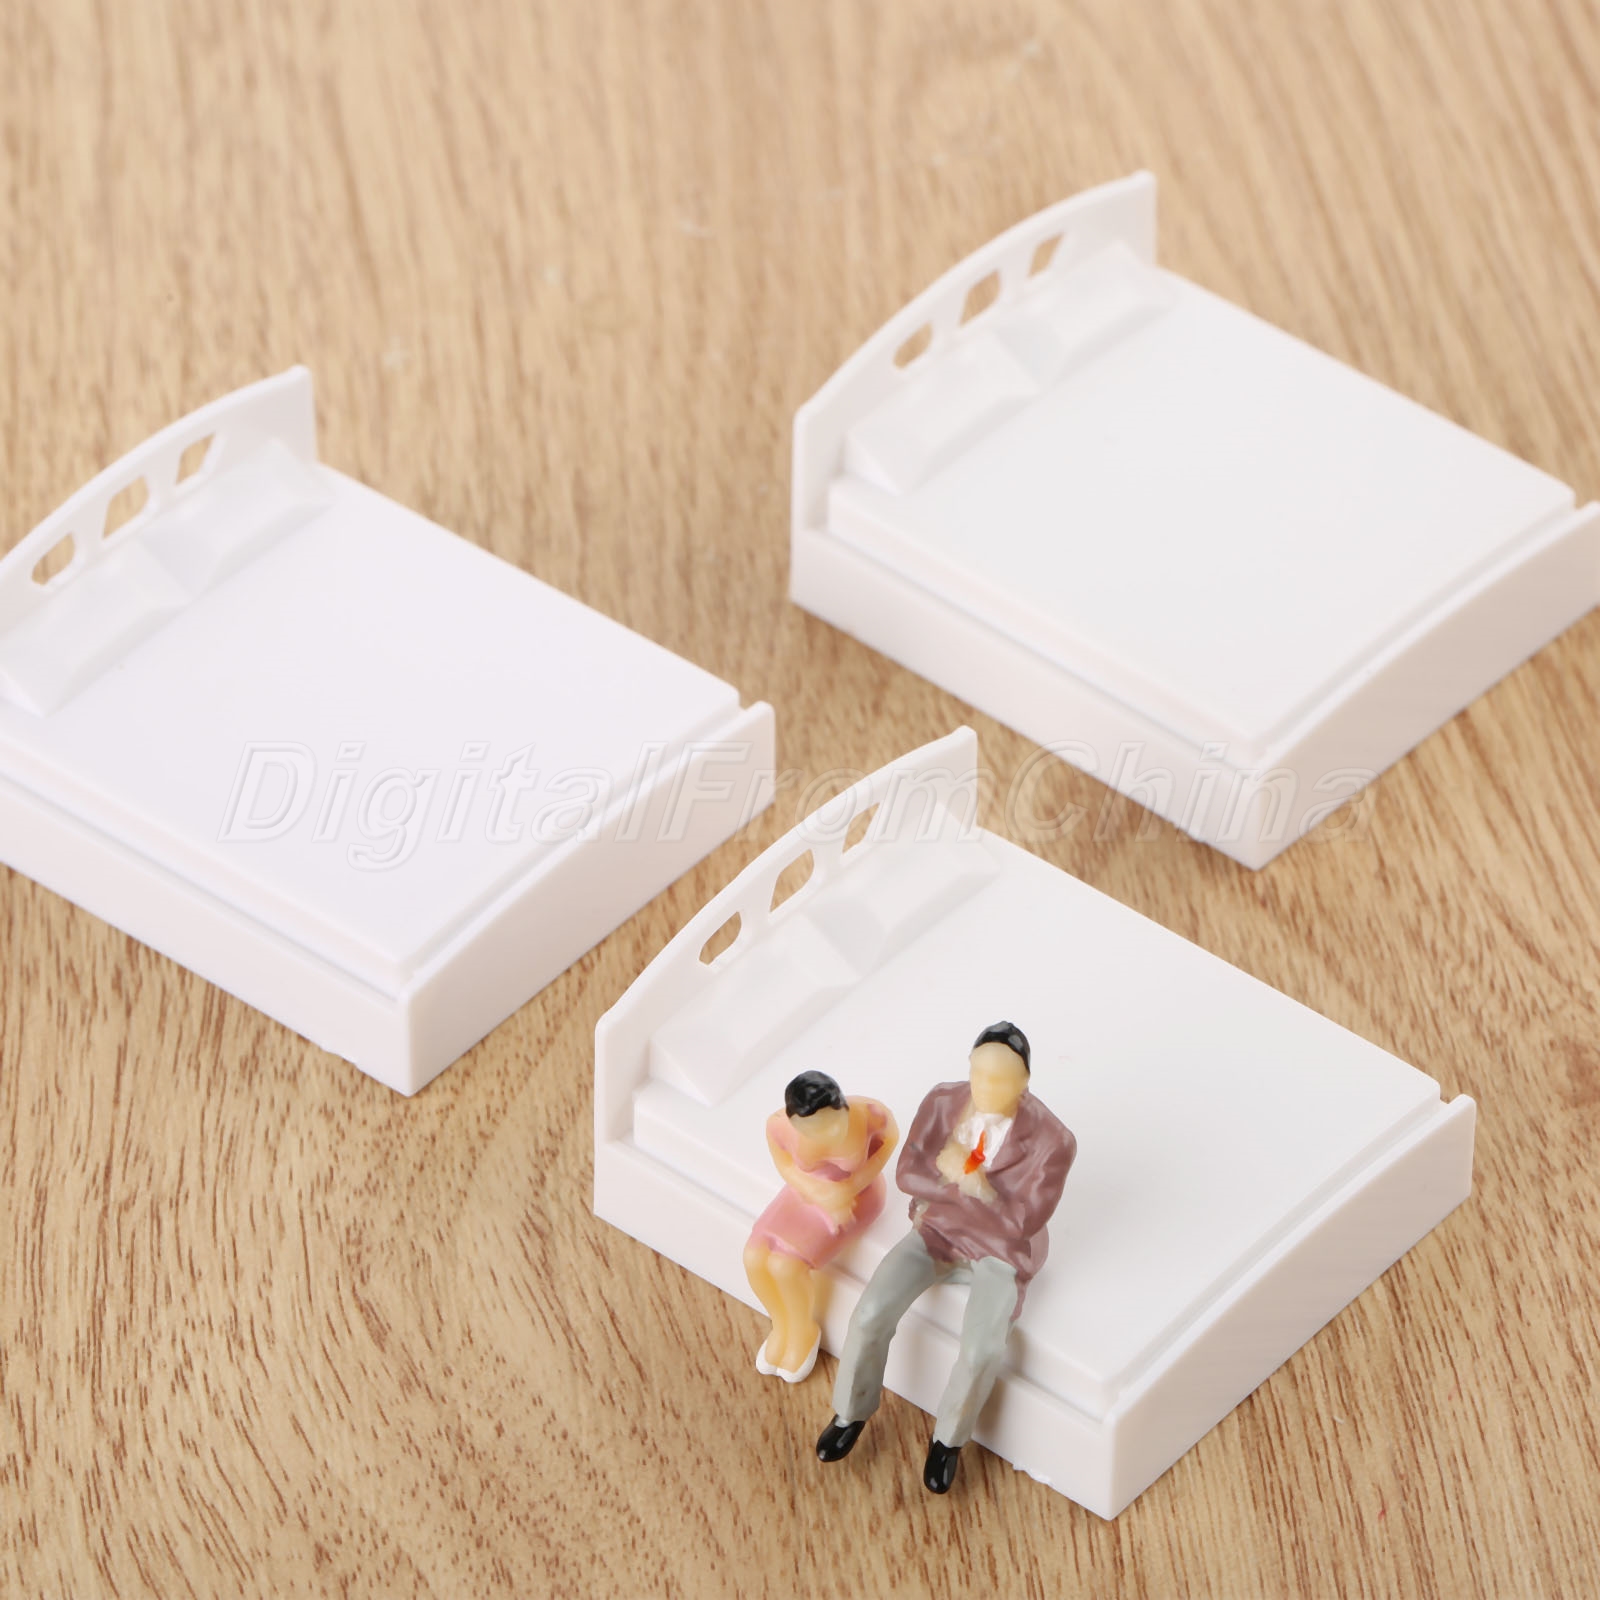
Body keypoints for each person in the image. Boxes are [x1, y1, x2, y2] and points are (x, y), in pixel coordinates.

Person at [816, 1022, 1075, 1493]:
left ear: (1024, 1081)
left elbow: (1022, 1221)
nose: (986, 1087)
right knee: (870, 1312)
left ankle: (948, 1441)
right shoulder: (942, 1101)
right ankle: (851, 1411)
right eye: (979, 1073)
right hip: (937, 1231)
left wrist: (971, 1183)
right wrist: (964, 1191)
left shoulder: (1054, 1140)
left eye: (1001, 1079)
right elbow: (907, 1175)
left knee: (981, 1349)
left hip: (1001, 1251)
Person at [744, 1071, 898, 1383]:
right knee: (754, 1256)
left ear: (842, 1107)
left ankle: (802, 1331)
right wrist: (815, 1191)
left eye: (831, 1124)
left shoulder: (872, 1115)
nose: (824, 1134)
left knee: (786, 1266)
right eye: (812, 1129)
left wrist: (849, 1187)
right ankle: (782, 1325)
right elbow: (786, 1165)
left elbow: (887, 1145)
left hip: (857, 1196)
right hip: (805, 1193)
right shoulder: (778, 1125)